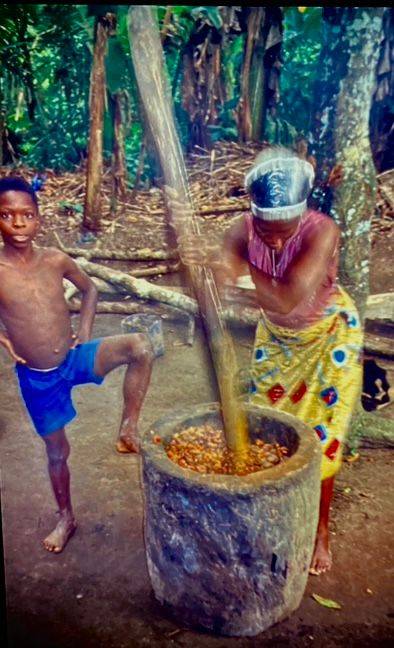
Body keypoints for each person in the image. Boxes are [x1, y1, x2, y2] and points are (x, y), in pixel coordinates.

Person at [173, 146, 363, 576]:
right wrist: (203, 265)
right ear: (252, 213)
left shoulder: (323, 231)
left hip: (327, 339)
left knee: (321, 438)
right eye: (266, 229)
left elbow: (285, 295)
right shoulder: (241, 229)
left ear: (303, 212)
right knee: (269, 428)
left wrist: (235, 269)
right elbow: (218, 280)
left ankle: (319, 532)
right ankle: (274, 511)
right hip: (277, 338)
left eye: (285, 230)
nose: (275, 240)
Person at [0, 176, 154, 553]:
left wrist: (84, 331)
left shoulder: (55, 260)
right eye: (7, 215)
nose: (18, 224)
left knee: (141, 347)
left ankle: (128, 429)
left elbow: (90, 288)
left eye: (27, 215)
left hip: (74, 358)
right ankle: (66, 517)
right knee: (58, 453)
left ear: (39, 219)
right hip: (39, 379)